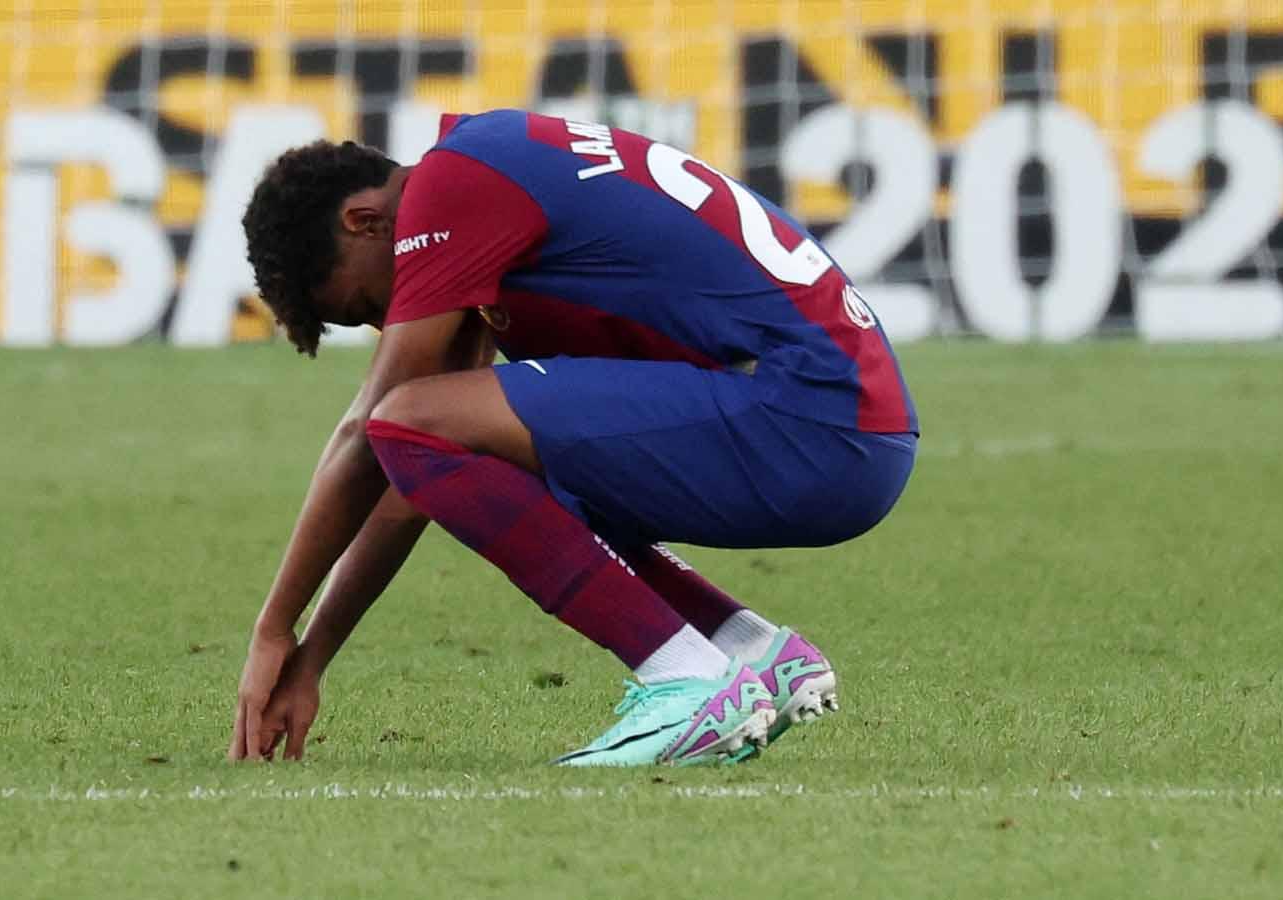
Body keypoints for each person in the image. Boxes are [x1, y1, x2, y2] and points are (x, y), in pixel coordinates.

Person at [228, 109, 918, 767]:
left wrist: (272, 627)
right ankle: (745, 651)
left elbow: (375, 427)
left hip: (809, 418)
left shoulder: (455, 186)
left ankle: (685, 679)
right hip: (843, 423)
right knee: (450, 431)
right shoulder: (491, 171)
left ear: (366, 221)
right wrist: (311, 656)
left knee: (409, 414)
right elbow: (413, 472)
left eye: (368, 307)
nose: (390, 325)